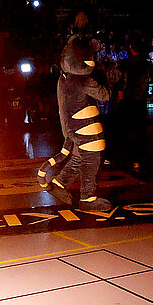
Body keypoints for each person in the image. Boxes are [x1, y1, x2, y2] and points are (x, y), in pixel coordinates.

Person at [40, 35, 113, 213]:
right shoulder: (83, 80)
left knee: (79, 157)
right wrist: (108, 77)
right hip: (85, 129)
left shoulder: (64, 78)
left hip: (72, 127)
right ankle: (88, 197)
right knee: (92, 159)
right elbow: (105, 95)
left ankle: (59, 183)